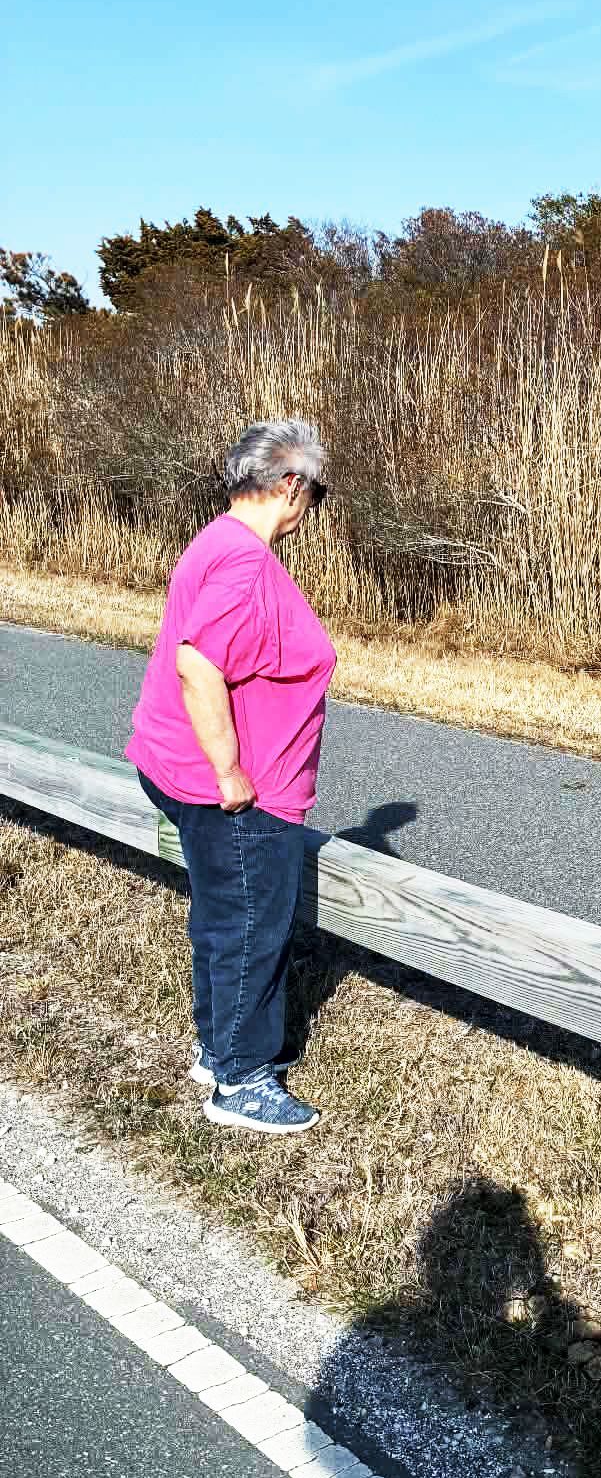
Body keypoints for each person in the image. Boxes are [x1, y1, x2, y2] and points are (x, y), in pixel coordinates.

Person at [125, 419, 337, 1136]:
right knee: (251, 928)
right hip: (237, 792)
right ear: (289, 486)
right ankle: (242, 1079)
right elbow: (198, 662)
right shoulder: (246, 564)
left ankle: (216, 1049)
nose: (312, 507)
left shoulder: (216, 540)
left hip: (180, 771)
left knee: (222, 917)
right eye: (317, 492)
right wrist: (231, 772)